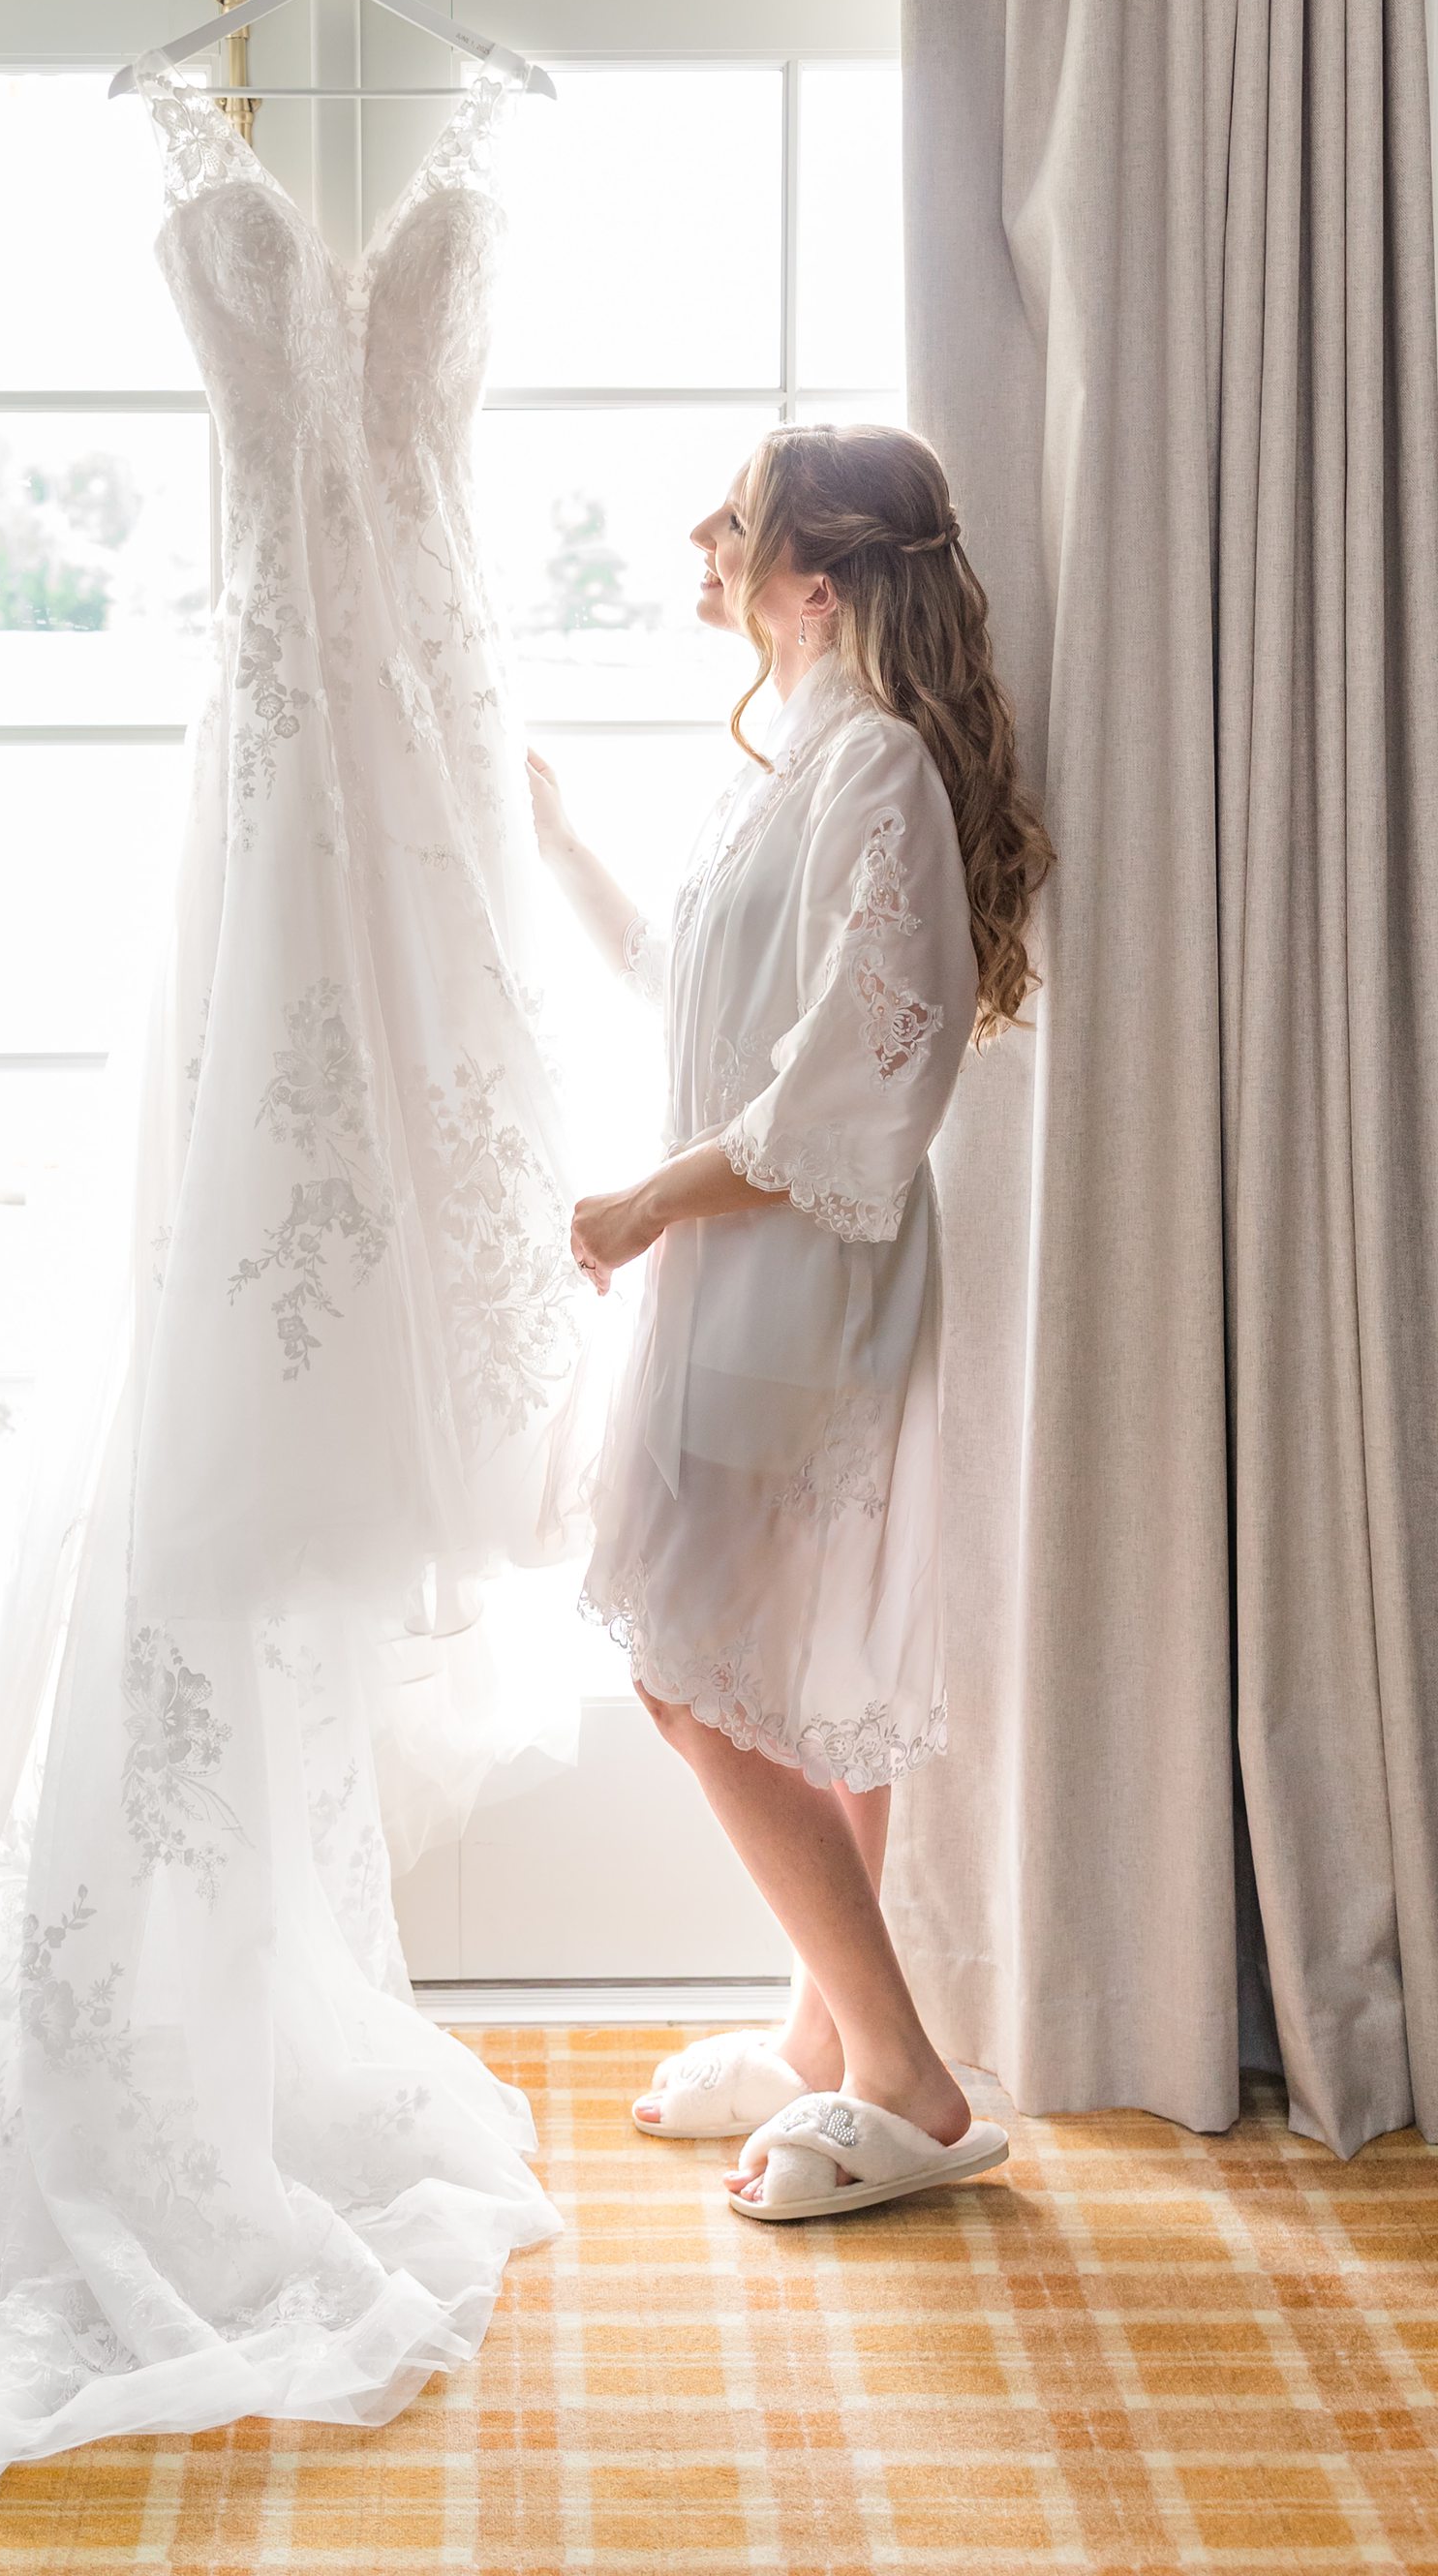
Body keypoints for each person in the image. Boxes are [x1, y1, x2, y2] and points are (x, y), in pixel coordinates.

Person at [528, 422, 1050, 2223]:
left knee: (689, 1671)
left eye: (738, 520)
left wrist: (643, 1204)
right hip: (753, 1269)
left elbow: (851, 1083)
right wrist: (555, 844)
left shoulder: (875, 763)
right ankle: (824, 2038)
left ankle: (905, 2076)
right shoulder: (800, 765)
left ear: (814, 582)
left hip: (799, 1273)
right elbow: (698, 994)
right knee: (795, 1670)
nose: (704, 533)